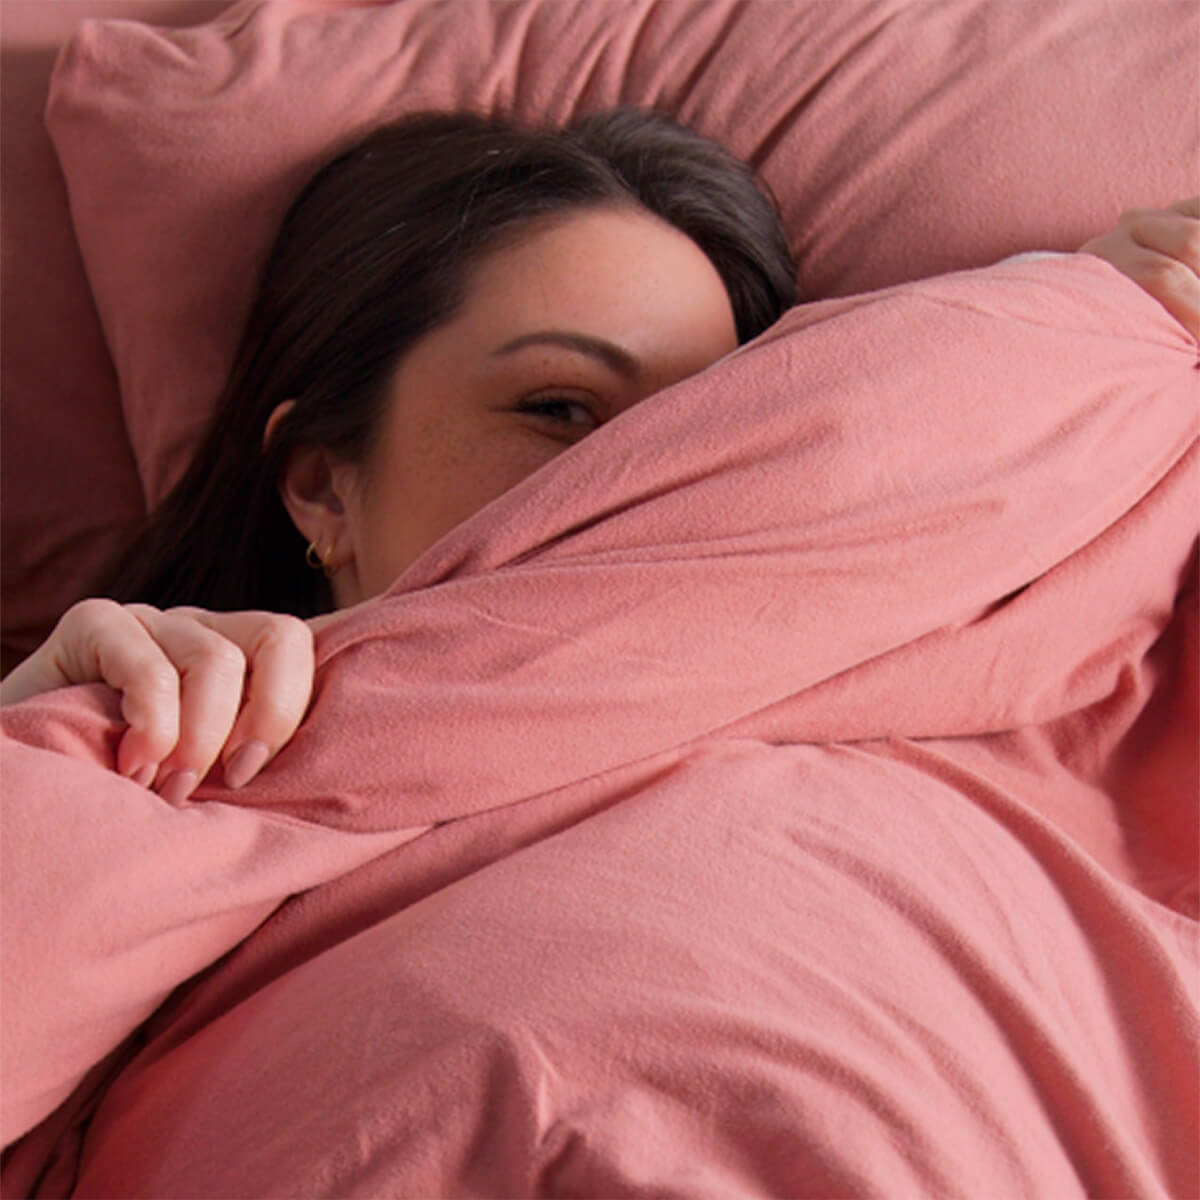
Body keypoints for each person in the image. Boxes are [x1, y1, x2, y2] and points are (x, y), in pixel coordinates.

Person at [1, 107, 1196, 806]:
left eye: (712, 432)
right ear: (321, 481)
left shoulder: (905, 717)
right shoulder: (127, 756)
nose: (648, 481)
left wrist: (1073, 346)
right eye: (562, 410)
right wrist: (32, 756)